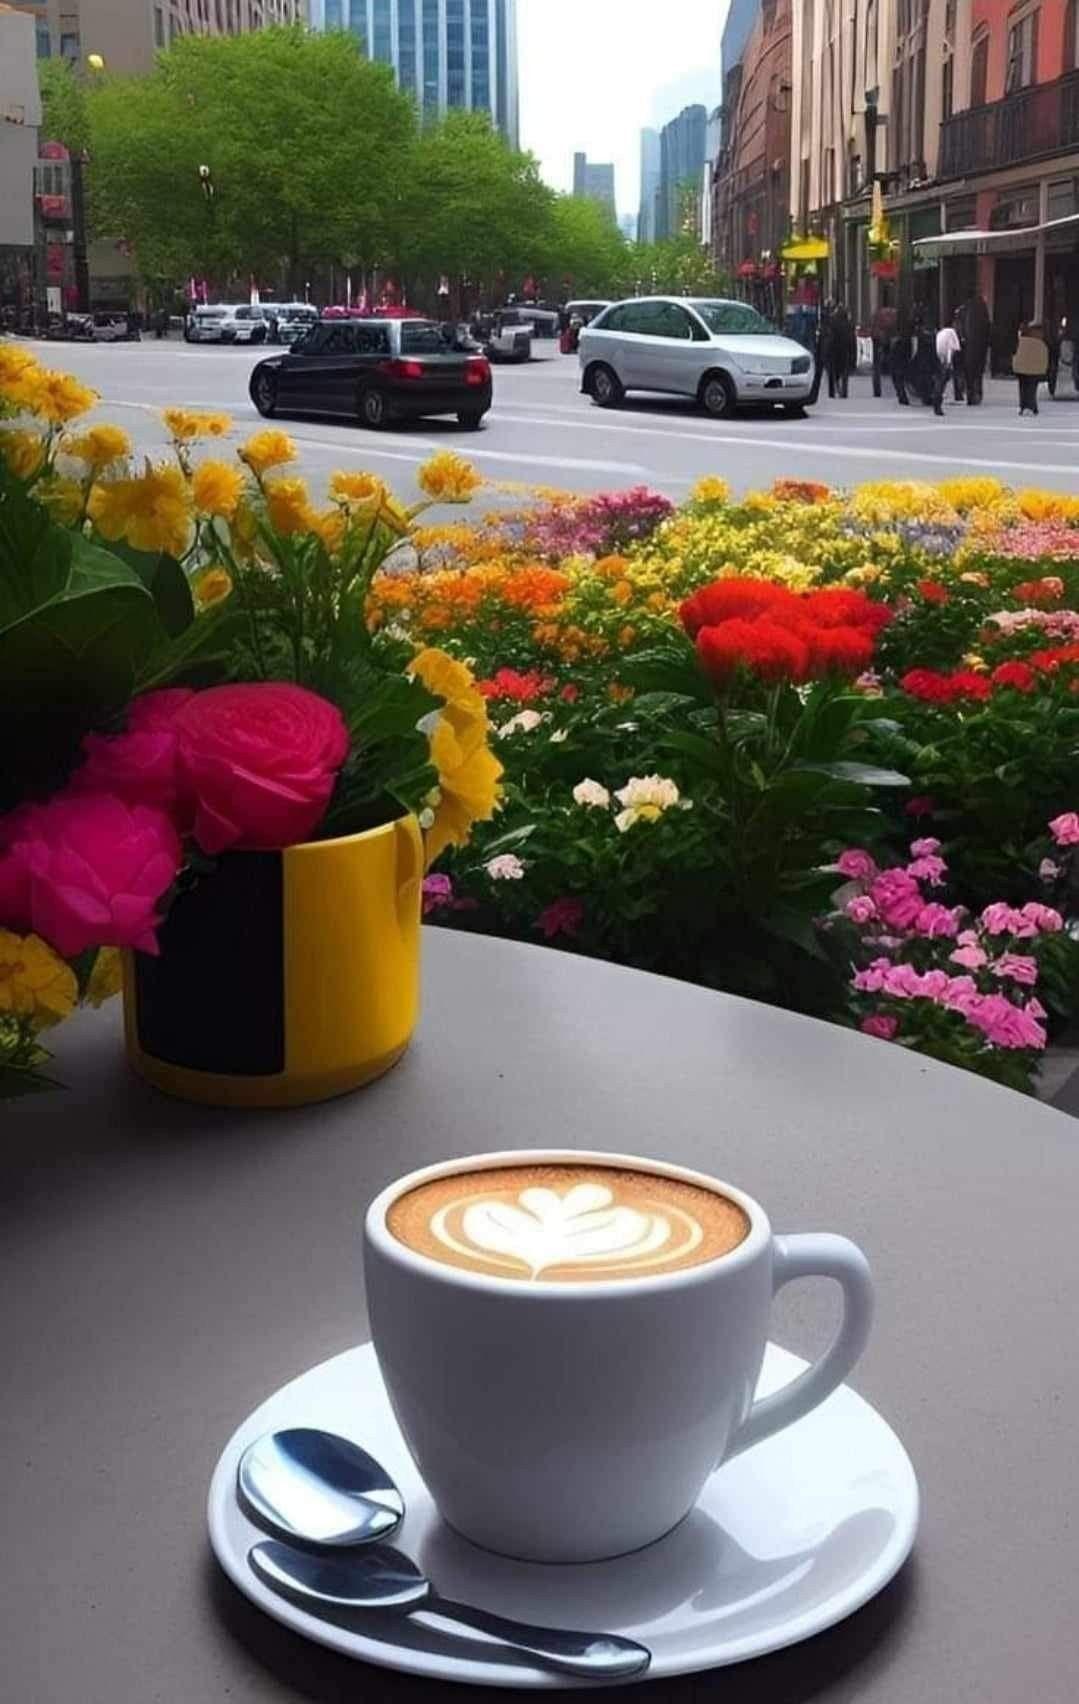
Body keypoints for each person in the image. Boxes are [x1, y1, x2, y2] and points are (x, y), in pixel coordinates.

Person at [1013, 321, 1048, 415]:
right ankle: (1030, 405)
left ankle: (1025, 405)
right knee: (1032, 378)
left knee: (1024, 379)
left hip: (1024, 338)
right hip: (1037, 338)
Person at [962, 288, 990, 404]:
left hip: (968, 345)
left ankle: (970, 394)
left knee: (969, 371)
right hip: (980, 345)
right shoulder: (982, 308)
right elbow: (987, 327)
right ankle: (977, 393)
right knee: (978, 371)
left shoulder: (966, 308)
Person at [827, 302, 856, 397]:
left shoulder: (832, 323)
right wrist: (853, 356)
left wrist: (826, 353)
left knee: (833, 373)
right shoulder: (849, 325)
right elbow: (852, 340)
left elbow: (829, 339)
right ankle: (844, 391)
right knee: (844, 373)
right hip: (845, 351)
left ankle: (832, 392)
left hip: (834, 351)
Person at [870, 300, 897, 397]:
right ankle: (897, 388)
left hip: (877, 340)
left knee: (876, 366)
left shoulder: (876, 315)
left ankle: (877, 391)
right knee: (894, 365)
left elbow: (872, 328)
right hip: (890, 341)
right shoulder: (894, 314)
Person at [936, 313, 964, 403]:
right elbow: (951, 348)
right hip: (948, 357)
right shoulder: (952, 332)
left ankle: (942, 393)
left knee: (943, 376)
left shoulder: (941, 332)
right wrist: (949, 361)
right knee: (954, 374)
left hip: (940, 355)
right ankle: (958, 395)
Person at [890, 309, 913, 405]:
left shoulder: (894, 328)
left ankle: (902, 396)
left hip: (898, 353)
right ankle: (903, 395)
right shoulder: (909, 328)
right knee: (901, 376)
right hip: (905, 354)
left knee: (897, 377)